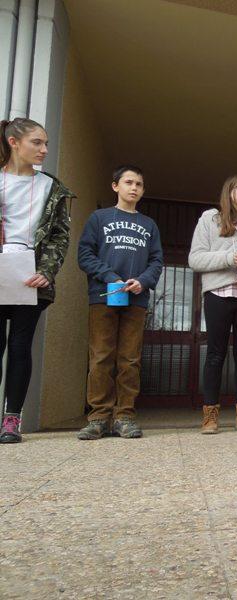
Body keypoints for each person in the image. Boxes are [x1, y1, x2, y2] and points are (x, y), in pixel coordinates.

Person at [76, 165, 163, 440]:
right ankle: (99, 417)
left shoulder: (149, 225)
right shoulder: (98, 218)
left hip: (136, 299)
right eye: (128, 182)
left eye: (139, 184)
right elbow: (85, 255)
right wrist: (110, 276)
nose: (134, 188)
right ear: (115, 186)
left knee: (130, 359)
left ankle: (124, 416)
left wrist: (143, 281)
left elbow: (157, 260)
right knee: (101, 356)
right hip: (104, 296)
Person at [0, 118, 72, 443]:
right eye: (37, 143)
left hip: (31, 275)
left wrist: (47, 270)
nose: (44, 149)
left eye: (45, 143)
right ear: (14, 142)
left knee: (19, 346)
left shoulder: (51, 187)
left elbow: (60, 234)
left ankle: (12, 419)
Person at [188, 175, 237, 435]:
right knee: (214, 354)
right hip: (219, 293)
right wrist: (227, 258)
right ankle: (209, 415)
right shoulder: (210, 218)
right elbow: (195, 259)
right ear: (229, 191)